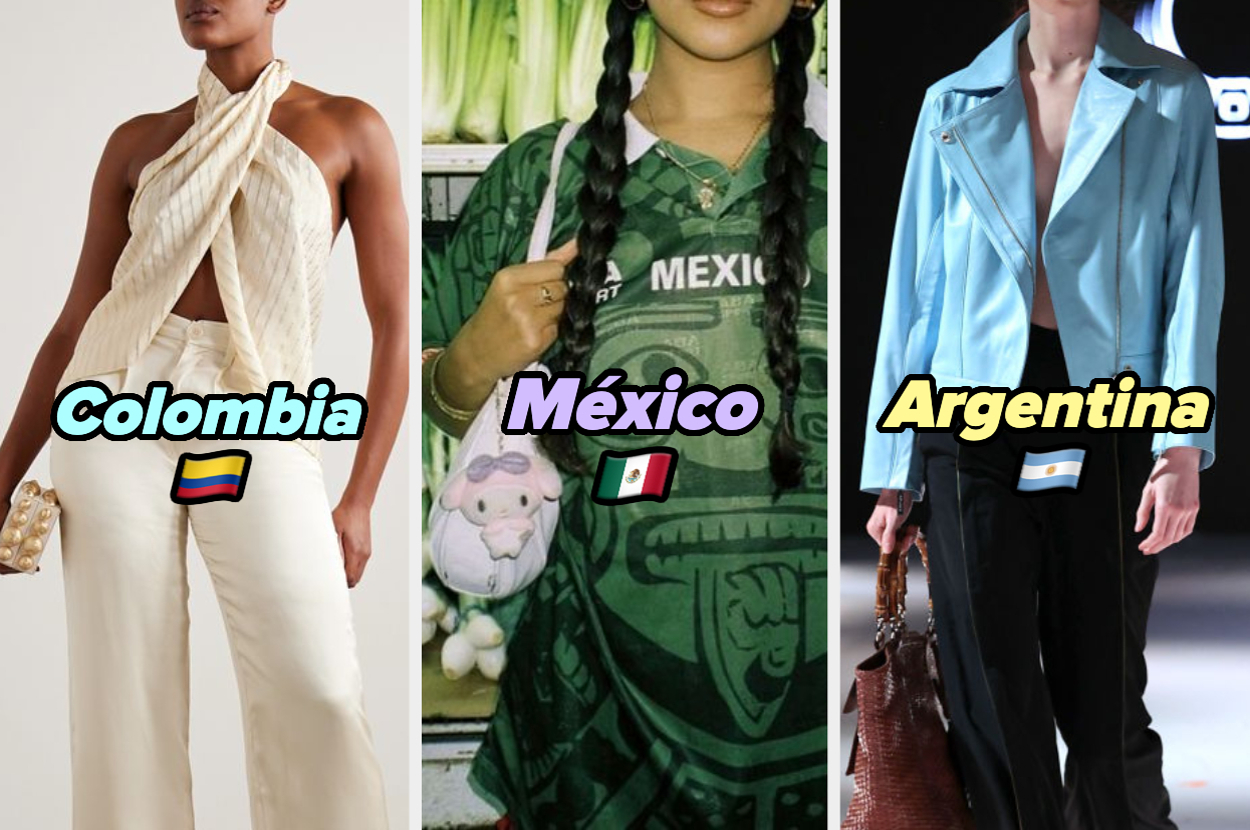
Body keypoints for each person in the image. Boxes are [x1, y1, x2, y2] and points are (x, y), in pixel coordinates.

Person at [0, 1, 407, 828]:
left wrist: (360, 497)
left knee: (317, 686)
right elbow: (77, 320)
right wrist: (2, 475)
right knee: (123, 690)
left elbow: (399, 324)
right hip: (116, 405)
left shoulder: (348, 127)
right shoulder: (137, 141)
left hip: (256, 407)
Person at [422, 0, 828, 826]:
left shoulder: (887, 163)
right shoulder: (539, 181)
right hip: (589, 764)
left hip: (837, 760)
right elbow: (436, 394)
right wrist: (470, 363)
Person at [861, 2, 1223, 828]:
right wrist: (891, 468)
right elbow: (913, 288)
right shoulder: (951, 102)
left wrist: (1181, 447)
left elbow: (1193, 278)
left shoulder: (1172, 95)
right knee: (988, 688)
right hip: (963, 409)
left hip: (1112, 409)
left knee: (1102, 696)